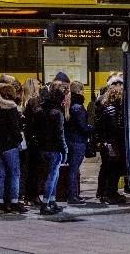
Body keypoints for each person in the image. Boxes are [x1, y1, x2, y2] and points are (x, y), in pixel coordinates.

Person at [0, 83, 28, 214]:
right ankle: (14, 201)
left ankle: (0, 202)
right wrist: (19, 140)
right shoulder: (11, 108)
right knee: (15, 173)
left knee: (0, 173)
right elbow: (15, 129)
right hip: (10, 145)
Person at [37, 80, 69, 215]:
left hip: (43, 147)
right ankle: (46, 203)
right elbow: (60, 134)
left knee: (51, 175)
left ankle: (51, 201)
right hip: (55, 148)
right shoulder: (58, 113)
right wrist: (65, 150)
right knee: (53, 176)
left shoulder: (41, 110)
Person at [97, 84, 127, 205]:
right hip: (112, 144)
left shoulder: (105, 108)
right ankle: (110, 193)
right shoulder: (114, 110)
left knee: (106, 168)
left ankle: (103, 192)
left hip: (106, 143)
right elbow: (115, 129)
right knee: (113, 170)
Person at [65, 81, 92, 205]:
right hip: (78, 141)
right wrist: (91, 129)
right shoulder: (78, 107)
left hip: (71, 140)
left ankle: (73, 194)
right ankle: (73, 196)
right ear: (79, 91)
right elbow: (82, 126)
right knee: (74, 170)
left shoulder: (69, 104)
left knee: (73, 169)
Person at [20, 78, 43, 205]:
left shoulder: (24, 101)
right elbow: (39, 117)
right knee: (34, 169)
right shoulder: (34, 101)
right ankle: (33, 196)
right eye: (38, 84)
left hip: (27, 138)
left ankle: (27, 196)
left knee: (28, 169)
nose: (40, 86)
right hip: (34, 139)